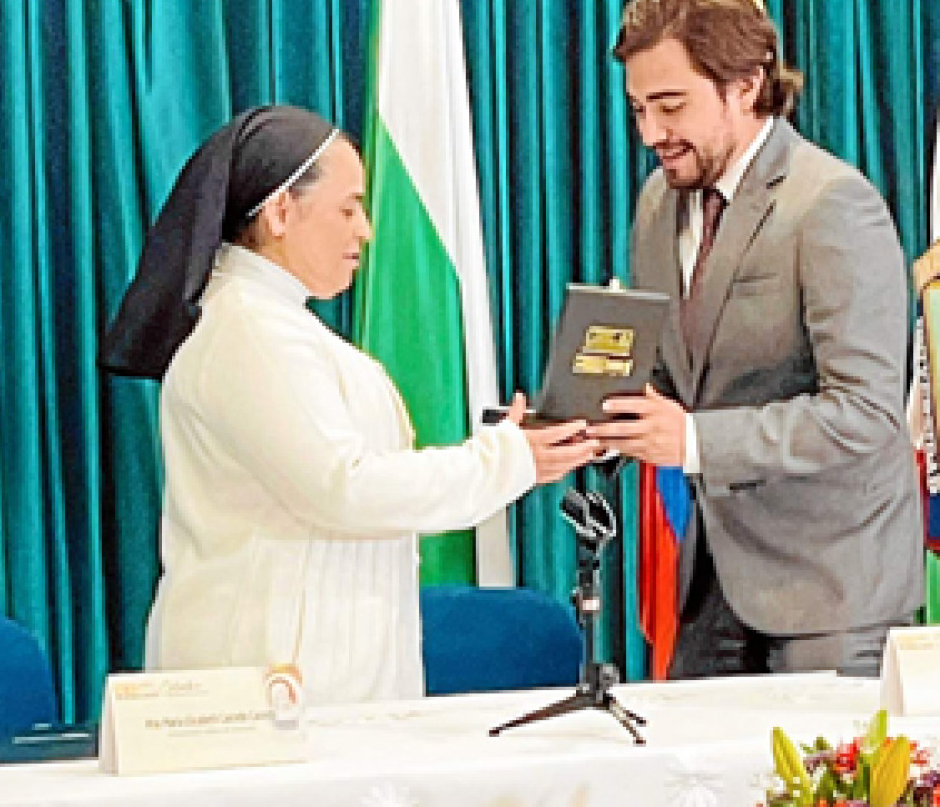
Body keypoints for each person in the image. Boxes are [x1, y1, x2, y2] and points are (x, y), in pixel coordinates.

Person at [99, 105, 599, 704]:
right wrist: (502, 461)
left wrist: (509, 456)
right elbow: (344, 486)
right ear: (282, 211)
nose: (364, 229)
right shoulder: (251, 331)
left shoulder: (274, 323)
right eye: (347, 207)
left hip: (311, 678)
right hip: (266, 687)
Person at [590, 0, 923, 678]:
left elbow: (863, 414)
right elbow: (670, 373)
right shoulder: (658, 203)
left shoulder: (832, 206)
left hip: (834, 591)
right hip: (710, 585)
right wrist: (586, 413)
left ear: (745, 85)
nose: (651, 134)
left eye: (670, 105)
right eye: (638, 109)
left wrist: (691, 439)